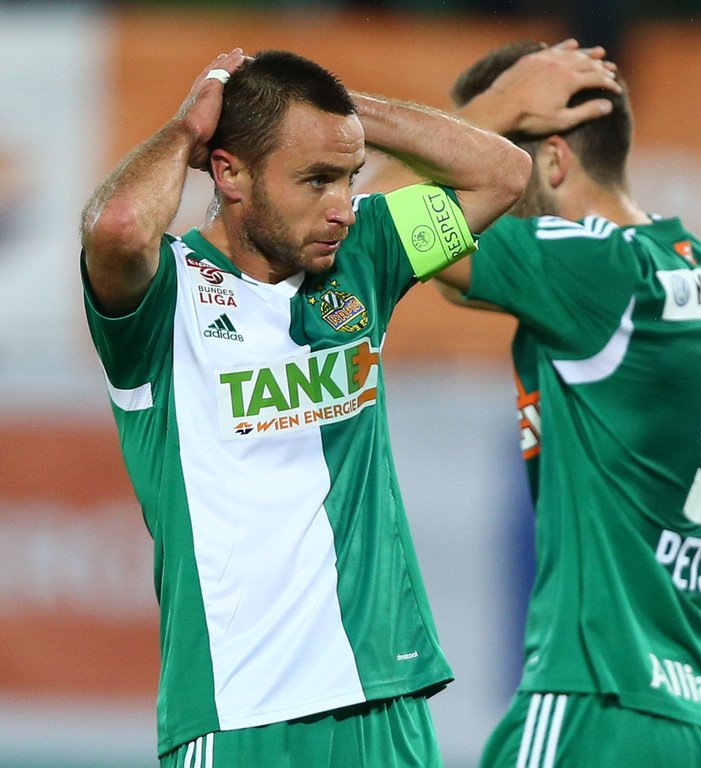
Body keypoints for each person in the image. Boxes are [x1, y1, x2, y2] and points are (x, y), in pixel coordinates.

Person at [79, 46, 619, 768]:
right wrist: (188, 130)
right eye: (314, 180)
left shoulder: (366, 256)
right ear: (230, 173)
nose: (339, 207)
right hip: (242, 716)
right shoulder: (162, 302)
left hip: (385, 697)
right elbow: (118, 226)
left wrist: (339, 115)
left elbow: (502, 174)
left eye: (348, 177)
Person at [358, 40, 701, 767]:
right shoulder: (695, 265)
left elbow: (372, 227)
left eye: (491, 162)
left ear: (553, 161)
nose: (477, 184)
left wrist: (492, 110)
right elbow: (450, 274)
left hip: (594, 700)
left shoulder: (590, 267)